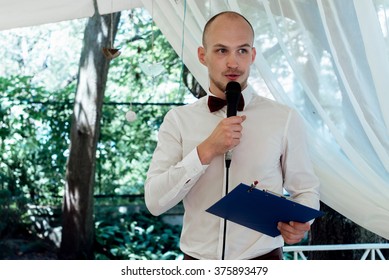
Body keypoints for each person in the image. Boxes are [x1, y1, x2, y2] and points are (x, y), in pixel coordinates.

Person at [144, 11, 320, 260]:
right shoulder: (178, 120)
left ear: (253, 56)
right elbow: (154, 201)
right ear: (202, 56)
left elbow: (306, 189)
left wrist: (302, 221)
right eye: (221, 50)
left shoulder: (284, 118)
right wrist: (206, 150)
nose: (233, 63)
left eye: (242, 51)